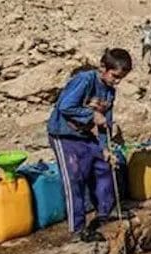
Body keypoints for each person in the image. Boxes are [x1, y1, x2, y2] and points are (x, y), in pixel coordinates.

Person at [47, 48, 132, 242]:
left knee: (104, 167)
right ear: (103, 67)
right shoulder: (85, 80)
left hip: (87, 135)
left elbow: (105, 120)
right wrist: (92, 115)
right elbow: (65, 106)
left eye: (122, 78)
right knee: (74, 178)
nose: (117, 81)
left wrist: (105, 147)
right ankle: (77, 229)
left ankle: (104, 214)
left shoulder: (110, 90)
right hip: (65, 135)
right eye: (115, 76)